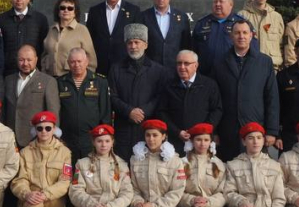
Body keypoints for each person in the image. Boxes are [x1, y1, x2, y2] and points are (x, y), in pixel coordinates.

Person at [212, 19, 279, 161]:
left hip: (255, 129)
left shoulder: (264, 62)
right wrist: (215, 131)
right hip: (228, 130)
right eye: (237, 33)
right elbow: (214, 99)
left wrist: (272, 131)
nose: (241, 36)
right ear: (231, 36)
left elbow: (272, 98)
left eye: (244, 32)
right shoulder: (219, 62)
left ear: (251, 36)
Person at [10, 111, 73, 207]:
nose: (44, 131)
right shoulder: (25, 152)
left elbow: (65, 182)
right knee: (35, 204)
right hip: (31, 204)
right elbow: (19, 180)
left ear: (54, 129)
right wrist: (27, 194)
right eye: (40, 128)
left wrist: (45, 194)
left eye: (48, 128)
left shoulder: (65, 152)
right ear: (35, 130)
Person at [68, 124, 134, 207]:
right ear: (93, 142)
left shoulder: (121, 165)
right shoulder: (82, 164)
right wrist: (93, 205)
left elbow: (127, 193)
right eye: (99, 141)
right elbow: (75, 191)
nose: (103, 145)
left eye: (107, 141)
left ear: (112, 142)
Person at [224, 123, 286, 207]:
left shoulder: (274, 166)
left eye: (259, 137)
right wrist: (242, 201)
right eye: (250, 138)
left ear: (264, 141)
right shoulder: (233, 165)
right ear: (243, 141)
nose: (255, 141)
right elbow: (228, 193)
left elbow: (279, 198)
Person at [109, 24, 168, 160]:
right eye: (130, 43)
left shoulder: (158, 70)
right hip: (123, 127)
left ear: (145, 45)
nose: (133, 46)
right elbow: (112, 96)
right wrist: (129, 111)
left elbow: (160, 96)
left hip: (148, 129)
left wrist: (143, 111)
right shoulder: (116, 69)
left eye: (137, 42)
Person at [128, 119, 186, 207]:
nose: (151, 139)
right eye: (148, 135)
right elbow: (132, 188)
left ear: (164, 136)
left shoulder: (175, 161)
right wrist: (138, 202)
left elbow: (177, 191)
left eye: (155, 135)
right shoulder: (135, 159)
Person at [178, 123, 228, 207]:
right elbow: (175, 191)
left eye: (206, 140)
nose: (202, 144)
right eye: (198, 140)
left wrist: (208, 202)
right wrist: (192, 200)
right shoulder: (182, 163)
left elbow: (223, 192)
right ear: (192, 142)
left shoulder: (218, 164)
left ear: (211, 142)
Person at [157, 50, 223, 147]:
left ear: (196, 65)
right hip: (175, 141)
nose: (182, 67)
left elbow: (217, 110)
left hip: (202, 142)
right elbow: (161, 112)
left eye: (186, 63)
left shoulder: (209, 85)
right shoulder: (168, 85)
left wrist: (203, 131)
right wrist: (177, 132)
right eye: (179, 63)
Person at [57, 47, 111, 162]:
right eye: (73, 62)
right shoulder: (60, 82)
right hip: (67, 140)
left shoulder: (100, 82)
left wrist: (104, 138)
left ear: (86, 62)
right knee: (69, 174)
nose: (76, 65)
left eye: (79, 61)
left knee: (91, 174)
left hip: (92, 140)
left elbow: (105, 112)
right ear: (68, 63)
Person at [3, 44, 60, 149]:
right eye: (21, 60)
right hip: (10, 139)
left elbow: (53, 112)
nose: (25, 63)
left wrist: (53, 137)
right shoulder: (8, 80)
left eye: (29, 60)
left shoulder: (48, 81)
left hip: (36, 138)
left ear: (36, 59)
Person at [86, 0, 142, 77]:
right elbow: (89, 37)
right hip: (100, 65)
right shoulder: (95, 11)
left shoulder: (133, 10)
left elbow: (137, 38)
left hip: (125, 65)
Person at [192, 0, 255, 76]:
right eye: (215, 2)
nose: (217, 4)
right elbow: (193, 50)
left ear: (231, 4)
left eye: (221, 2)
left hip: (232, 75)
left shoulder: (242, 23)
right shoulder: (202, 23)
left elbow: (253, 49)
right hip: (206, 75)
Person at [0, 0, 50, 77]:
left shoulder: (40, 19)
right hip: (9, 74)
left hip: (33, 73)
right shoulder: (2, 19)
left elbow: (44, 48)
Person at [42, 0, 97, 76]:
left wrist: (85, 80)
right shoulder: (51, 30)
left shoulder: (82, 30)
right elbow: (45, 55)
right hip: (50, 79)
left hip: (71, 79)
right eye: (62, 8)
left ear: (75, 13)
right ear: (58, 11)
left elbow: (91, 59)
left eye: (70, 8)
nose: (66, 10)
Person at [141, 0, 191, 67]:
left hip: (175, 68)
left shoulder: (182, 17)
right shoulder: (143, 16)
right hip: (150, 68)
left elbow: (186, 44)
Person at [238, 0, 284, 68]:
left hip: (272, 66)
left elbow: (281, 43)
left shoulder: (276, 17)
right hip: (249, 65)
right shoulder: (242, 15)